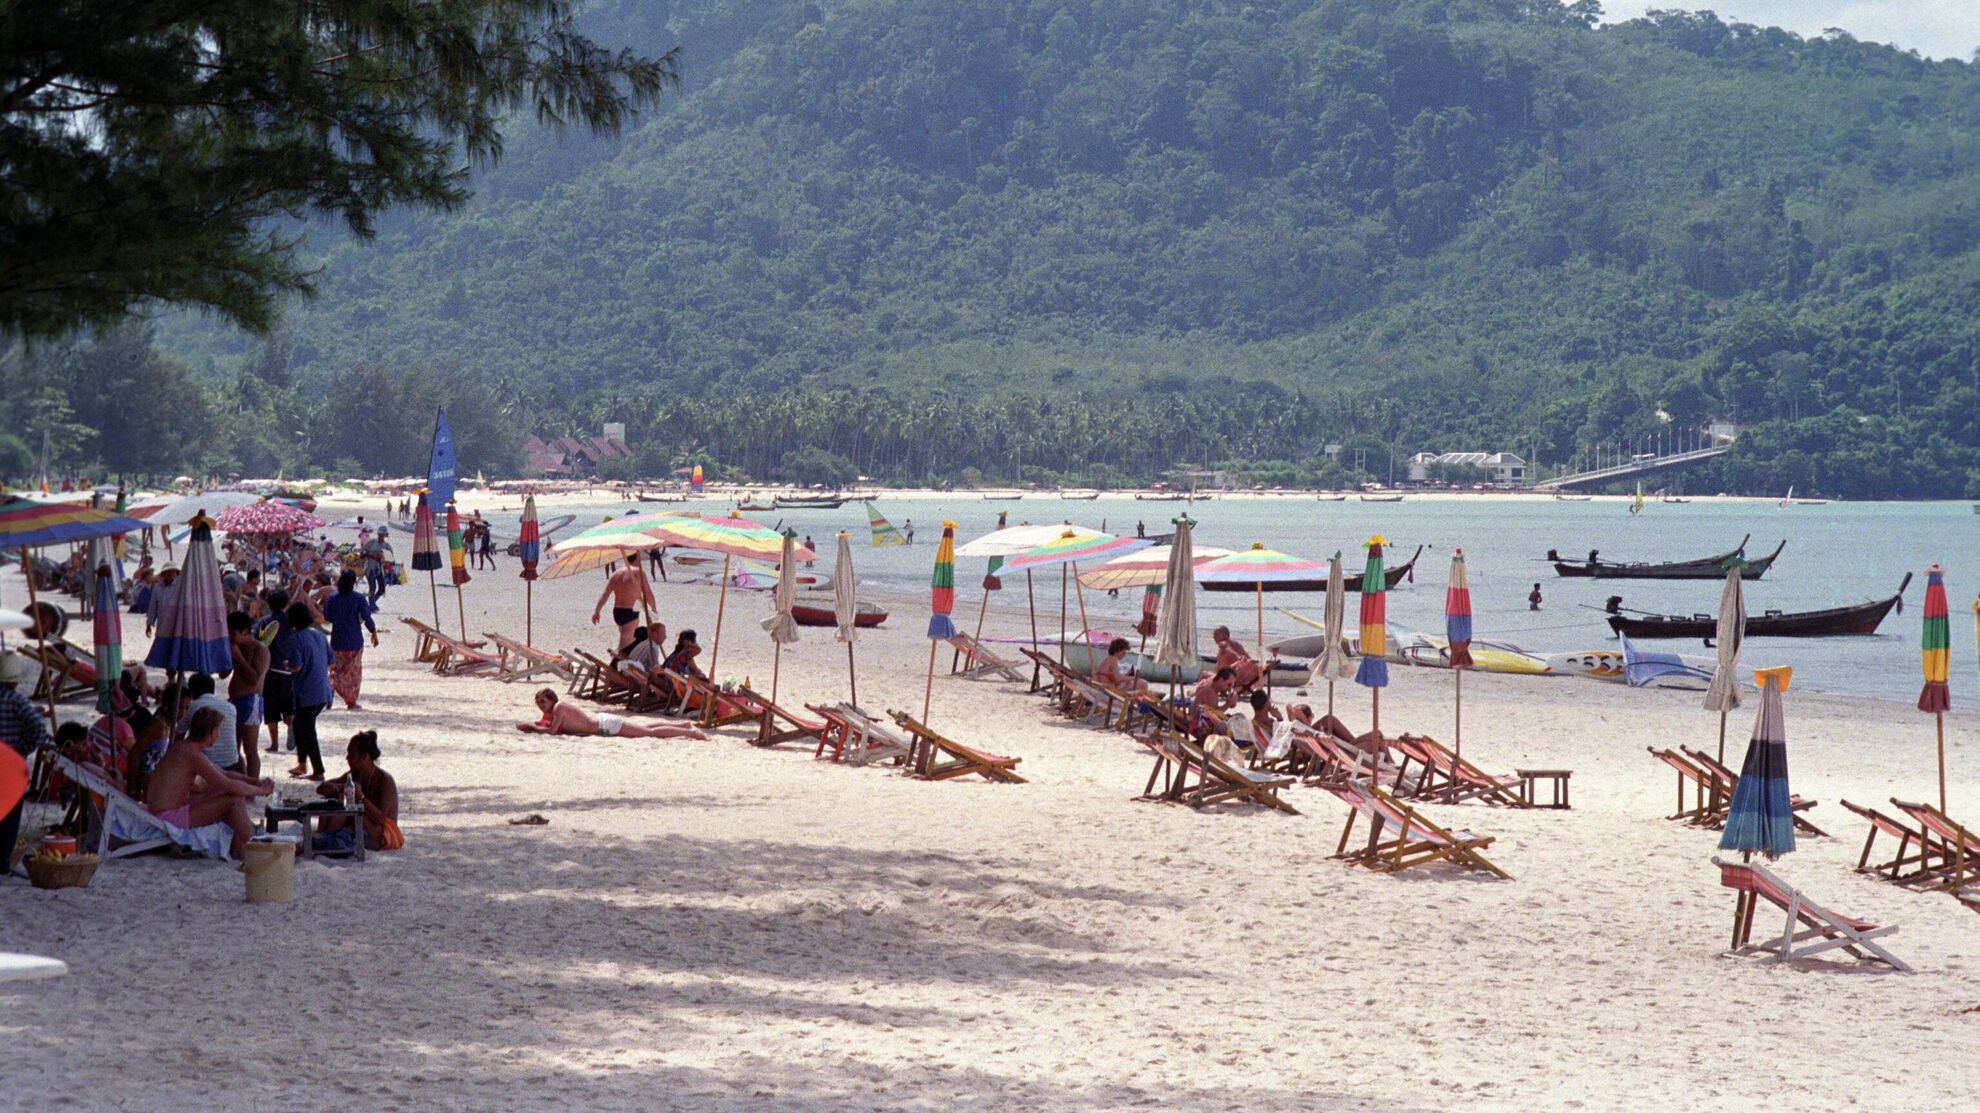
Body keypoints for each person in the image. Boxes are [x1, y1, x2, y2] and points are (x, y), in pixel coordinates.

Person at [144, 707, 272, 859]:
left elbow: (225, 773)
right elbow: (228, 784)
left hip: (168, 809)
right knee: (233, 799)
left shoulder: (188, 747)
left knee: (229, 795)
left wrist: (256, 782)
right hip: (167, 816)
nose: (219, 735)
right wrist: (261, 791)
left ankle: (241, 847)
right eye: (219, 730)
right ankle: (255, 849)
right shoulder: (191, 753)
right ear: (211, 732)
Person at [0, 655, 51, 880]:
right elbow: (38, 729)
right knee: (9, 818)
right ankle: (2, 862)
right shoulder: (16, 701)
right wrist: (24, 749)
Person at [314, 730, 401, 853]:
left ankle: (326, 837)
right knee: (334, 803)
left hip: (381, 834)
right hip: (360, 826)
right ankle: (324, 836)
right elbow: (321, 788)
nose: (347, 758)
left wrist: (361, 798)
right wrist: (341, 788)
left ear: (365, 756)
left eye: (351, 754)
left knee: (348, 809)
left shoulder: (385, 780)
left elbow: (380, 818)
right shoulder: (354, 775)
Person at [517, 689, 706, 739]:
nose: (541, 705)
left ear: (551, 700)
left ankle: (691, 733)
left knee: (649, 733)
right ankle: (683, 726)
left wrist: (530, 728)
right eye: (539, 702)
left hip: (605, 725)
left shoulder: (559, 707)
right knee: (645, 728)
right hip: (603, 726)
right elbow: (546, 725)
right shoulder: (554, 712)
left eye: (543, 701)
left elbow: (552, 732)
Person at [285, 603, 333, 780]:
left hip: (306, 692)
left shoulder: (295, 638)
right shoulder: (319, 635)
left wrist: (286, 665)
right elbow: (330, 660)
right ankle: (302, 763)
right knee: (300, 725)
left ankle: (318, 771)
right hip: (322, 690)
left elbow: (296, 666)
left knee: (307, 730)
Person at [322, 570, 379, 710]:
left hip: (337, 639)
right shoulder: (359, 599)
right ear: (354, 583)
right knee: (353, 672)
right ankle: (350, 701)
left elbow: (327, 617)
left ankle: (331, 687)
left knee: (336, 669)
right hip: (354, 640)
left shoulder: (333, 598)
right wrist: (373, 632)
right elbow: (367, 617)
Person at [226, 611, 268, 779]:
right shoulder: (236, 647)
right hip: (234, 700)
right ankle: (242, 783)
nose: (230, 637)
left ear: (245, 632)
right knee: (233, 749)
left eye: (233, 634)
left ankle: (253, 786)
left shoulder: (260, 649)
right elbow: (223, 673)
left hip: (251, 701)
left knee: (250, 749)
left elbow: (254, 679)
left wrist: (238, 657)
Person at [256, 588, 295, 755]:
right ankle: (291, 725)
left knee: (271, 710)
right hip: (289, 671)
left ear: (268, 603)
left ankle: (274, 744)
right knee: (288, 705)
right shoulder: (291, 622)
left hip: (270, 670)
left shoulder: (264, 622)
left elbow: (257, 642)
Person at [591, 562, 656, 650]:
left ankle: (624, 659)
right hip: (630, 613)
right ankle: (615, 662)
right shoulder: (639, 573)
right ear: (637, 557)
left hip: (617, 612)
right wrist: (654, 608)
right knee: (624, 645)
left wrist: (597, 611)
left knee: (630, 641)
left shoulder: (617, 573)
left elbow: (605, 593)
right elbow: (648, 593)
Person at [184, 672, 241, 773]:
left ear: (192, 691)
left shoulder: (193, 706)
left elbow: (178, 735)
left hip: (206, 763)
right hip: (230, 762)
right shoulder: (231, 707)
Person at [612, 622, 667, 702]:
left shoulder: (644, 643)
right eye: (663, 634)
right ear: (655, 633)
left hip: (631, 674)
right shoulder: (652, 647)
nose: (665, 637)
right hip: (637, 678)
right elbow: (655, 669)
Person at [1210, 626, 1265, 693]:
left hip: (1228, 680)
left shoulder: (1223, 643)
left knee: (1204, 675)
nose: (1214, 637)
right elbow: (1248, 658)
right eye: (1214, 634)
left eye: (1216, 634)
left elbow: (1228, 649)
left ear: (1226, 634)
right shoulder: (1237, 644)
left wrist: (1238, 657)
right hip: (1241, 679)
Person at [144, 562, 180, 636]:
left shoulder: (180, 588)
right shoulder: (158, 588)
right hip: (162, 624)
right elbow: (153, 607)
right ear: (164, 574)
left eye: (173, 572)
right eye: (168, 572)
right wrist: (149, 624)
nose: (170, 574)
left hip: (176, 626)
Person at [362, 528, 390, 602]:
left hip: (380, 570)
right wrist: (372, 555)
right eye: (379, 534)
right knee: (372, 588)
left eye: (382, 534)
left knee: (381, 589)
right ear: (377, 534)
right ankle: (371, 605)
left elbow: (391, 558)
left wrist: (383, 557)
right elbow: (363, 552)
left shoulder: (387, 546)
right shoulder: (372, 542)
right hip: (369, 568)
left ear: (385, 535)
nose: (380, 535)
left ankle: (372, 602)